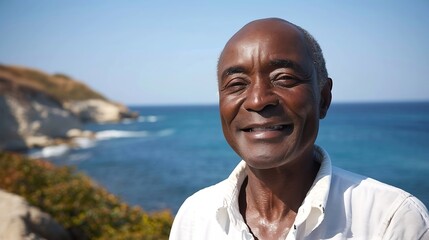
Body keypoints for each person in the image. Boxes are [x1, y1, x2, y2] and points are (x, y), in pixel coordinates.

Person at [169, 18, 429, 240]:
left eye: (284, 78)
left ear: (323, 98)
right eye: (236, 83)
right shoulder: (195, 217)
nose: (258, 100)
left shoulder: (390, 220)